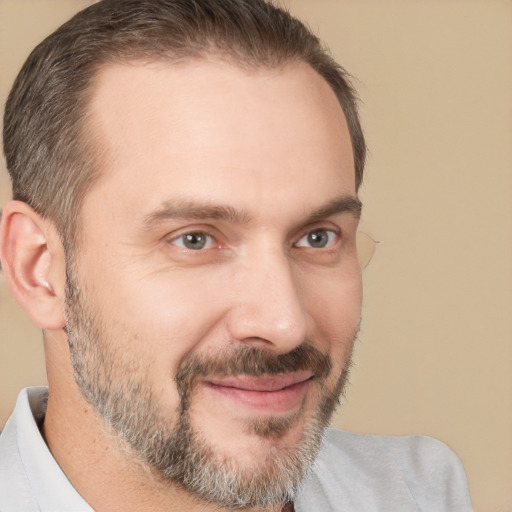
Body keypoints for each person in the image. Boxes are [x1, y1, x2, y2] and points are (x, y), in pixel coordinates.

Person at [0, 1, 473, 511]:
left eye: (318, 237)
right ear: (39, 270)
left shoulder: (416, 493)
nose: (284, 322)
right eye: (195, 240)